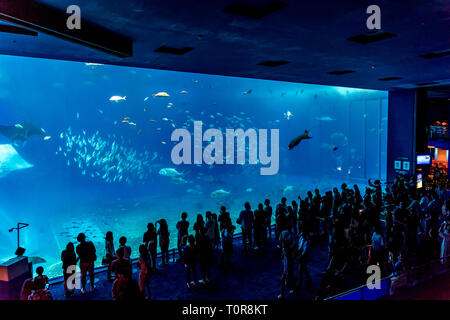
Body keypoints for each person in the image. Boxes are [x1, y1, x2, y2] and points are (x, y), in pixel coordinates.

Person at [278, 225, 296, 299]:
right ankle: (293, 289)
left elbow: (286, 263)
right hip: (289, 263)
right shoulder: (292, 236)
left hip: (287, 267)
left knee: (285, 279)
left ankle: (282, 295)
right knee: (291, 276)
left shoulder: (286, 253)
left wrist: (285, 274)